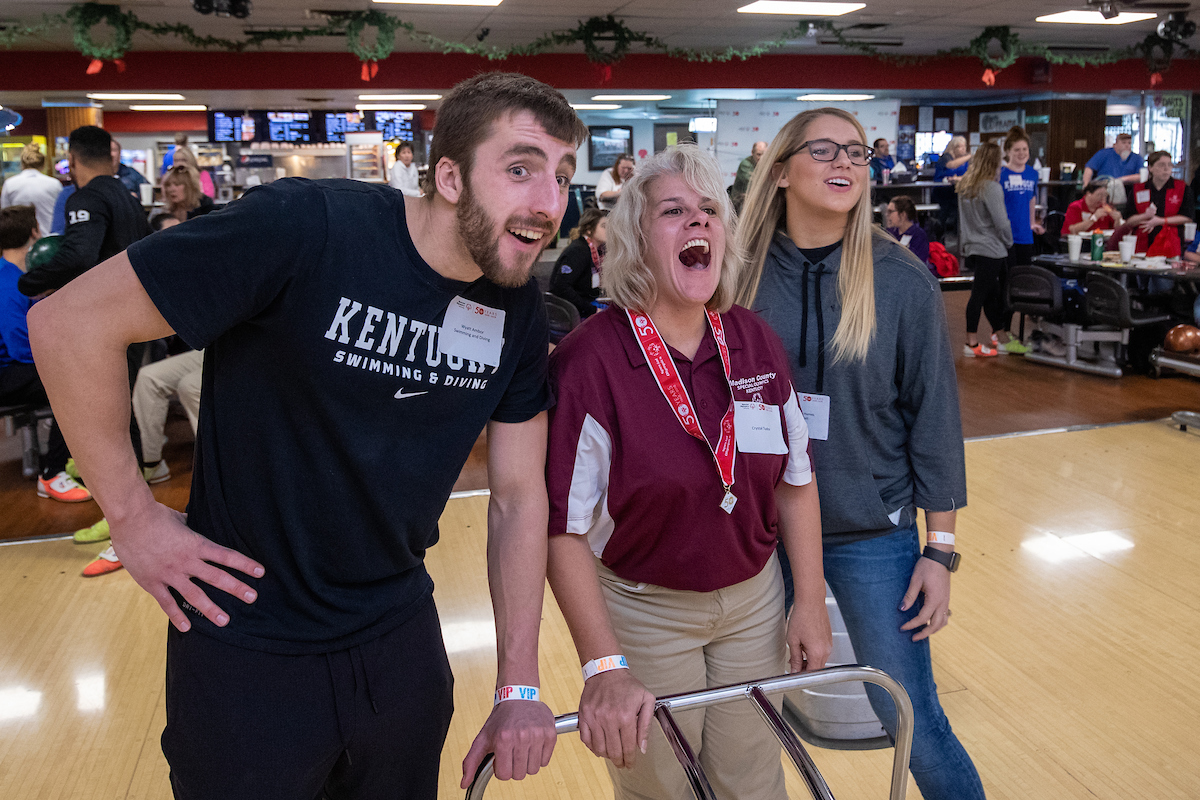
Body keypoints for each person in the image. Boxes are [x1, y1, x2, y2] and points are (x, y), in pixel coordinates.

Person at [27, 71, 587, 799]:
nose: (550, 202)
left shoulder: (513, 308)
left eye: (563, 175)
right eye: (521, 169)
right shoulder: (306, 226)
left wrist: (517, 685)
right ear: (449, 176)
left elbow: (516, 497)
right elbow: (68, 325)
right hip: (246, 640)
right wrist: (132, 520)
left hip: (398, 638)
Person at [545, 145, 830, 800]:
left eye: (709, 210)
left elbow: (796, 478)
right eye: (673, 211)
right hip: (645, 609)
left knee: (753, 780)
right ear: (635, 238)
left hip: (754, 602)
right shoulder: (591, 361)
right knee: (661, 788)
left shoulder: (752, 339)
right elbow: (561, 529)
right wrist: (604, 664)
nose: (697, 222)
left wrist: (808, 602)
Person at [736, 107, 987, 800]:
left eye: (856, 151)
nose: (845, 162)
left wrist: (939, 551)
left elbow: (934, 420)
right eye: (824, 149)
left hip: (871, 530)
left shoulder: (901, 281)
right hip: (756, 531)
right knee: (741, 713)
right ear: (782, 170)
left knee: (908, 714)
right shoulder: (735, 276)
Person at [0, 205, 86, 503]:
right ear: (34, 233)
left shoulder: (8, 273)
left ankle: (75, 458)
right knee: (72, 383)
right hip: (6, 374)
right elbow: (19, 348)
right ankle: (52, 473)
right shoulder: (11, 282)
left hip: (9, 369)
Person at [958, 141, 1027, 356]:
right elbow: (1002, 222)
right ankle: (971, 342)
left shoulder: (965, 187)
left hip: (974, 247)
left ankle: (1001, 335)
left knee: (990, 294)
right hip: (992, 248)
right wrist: (1009, 242)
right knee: (980, 295)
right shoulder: (991, 187)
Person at [1123, 150, 1195, 258]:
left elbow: (1188, 217)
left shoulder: (1182, 188)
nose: (1166, 169)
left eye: (1169, 165)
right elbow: (1128, 221)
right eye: (1161, 165)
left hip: (1170, 243)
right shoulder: (1138, 189)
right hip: (1142, 243)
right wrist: (1144, 216)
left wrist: (1161, 221)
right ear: (1150, 168)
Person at [548, 208, 607, 319]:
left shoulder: (597, 251)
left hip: (586, 304)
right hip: (571, 312)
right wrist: (592, 309)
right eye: (604, 227)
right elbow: (561, 287)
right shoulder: (579, 251)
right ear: (589, 230)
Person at [1000, 127, 1044, 266]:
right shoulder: (1000, 174)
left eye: (1024, 149)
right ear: (1008, 152)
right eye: (1017, 150)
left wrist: (1032, 223)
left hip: (1025, 233)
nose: (1022, 153)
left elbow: (1032, 199)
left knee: (1024, 274)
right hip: (1006, 234)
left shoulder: (1032, 174)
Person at [1, 143, 63, 238]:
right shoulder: (54, 184)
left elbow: (5, 218)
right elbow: (61, 215)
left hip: (20, 241)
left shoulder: (9, 184)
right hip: (49, 241)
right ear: (43, 165)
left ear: (22, 164)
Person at [885, 195, 931, 270]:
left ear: (903, 214)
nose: (887, 215)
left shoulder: (918, 235)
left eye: (890, 212)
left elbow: (918, 262)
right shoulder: (889, 233)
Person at [730, 140, 768, 211]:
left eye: (764, 155)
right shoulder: (745, 164)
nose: (761, 158)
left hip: (754, 199)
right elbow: (754, 182)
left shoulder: (765, 165)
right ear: (752, 152)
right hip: (740, 201)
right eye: (758, 154)